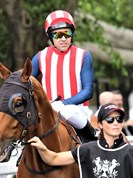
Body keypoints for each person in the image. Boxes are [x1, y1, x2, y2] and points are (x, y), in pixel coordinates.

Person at [32, 10, 96, 141]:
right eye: (57, 34)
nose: (63, 38)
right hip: (47, 111)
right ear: (50, 36)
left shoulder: (83, 55)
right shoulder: (40, 56)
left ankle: (93, 141)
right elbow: (25, 81)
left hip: (77, 110)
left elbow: (88, 91)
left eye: (67, 33)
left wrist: (63, 104)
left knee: (69, 112)